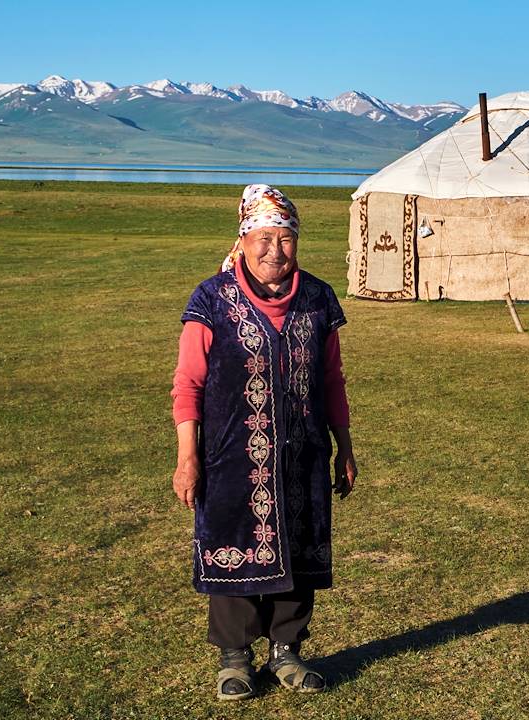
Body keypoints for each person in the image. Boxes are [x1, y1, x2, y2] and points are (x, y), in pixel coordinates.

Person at [170, 184, 357, 700]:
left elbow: (332, 380)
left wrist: (345, 445)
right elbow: (188, 384)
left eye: (286, 238)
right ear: (244, 239)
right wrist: (188, 458)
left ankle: (287, 652)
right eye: (264, 237)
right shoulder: (211, 300)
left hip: (302, 453)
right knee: (234, 548)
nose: (276, 250)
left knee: (298, 549)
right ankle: (235, 659)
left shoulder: (318, 299)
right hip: (232, 456)